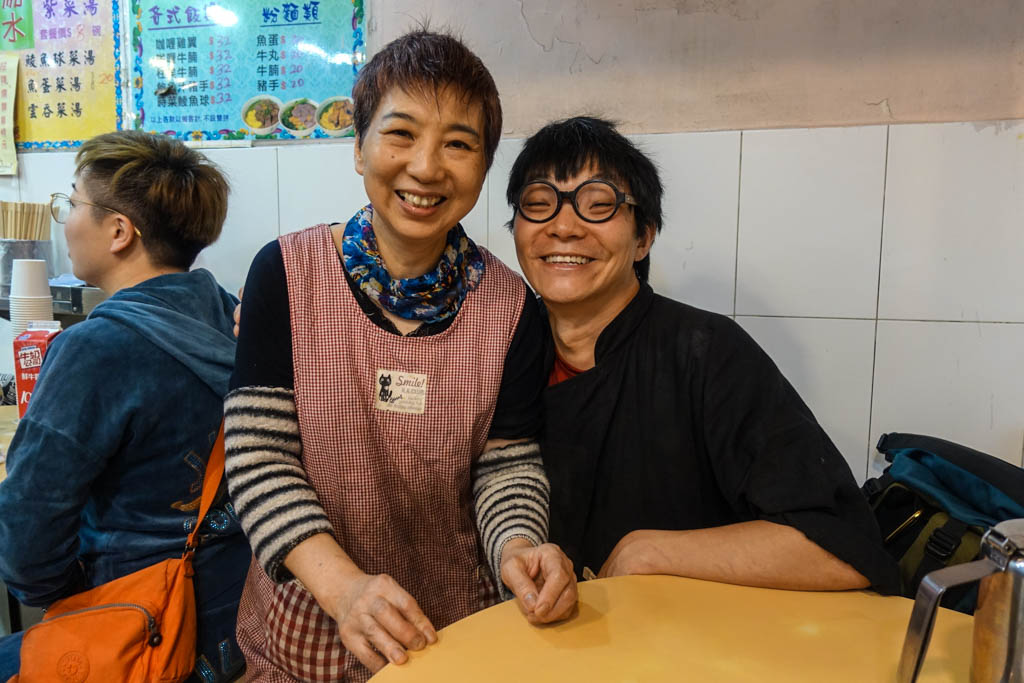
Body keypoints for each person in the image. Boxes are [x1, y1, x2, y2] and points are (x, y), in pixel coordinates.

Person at [226, 30, 576, 682]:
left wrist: (519, 546)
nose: (426, 167)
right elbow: (258, 456)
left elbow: (506, 466)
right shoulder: (285, 274)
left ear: (483, 166)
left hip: (453, 638)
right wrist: (345, 590)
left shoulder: (512, 308)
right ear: (359, 147)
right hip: (304, 635)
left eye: (459, 144)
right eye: (401, 134)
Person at [506, 116, 900, 593]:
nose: (564, 227)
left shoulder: (705, 351)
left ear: (643, 237)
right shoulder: (500, 347)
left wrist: (650, 552)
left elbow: (842, 548)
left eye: (599, 205)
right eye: (539, 204)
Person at [0, 130, 250, 682]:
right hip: (237, 619)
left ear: (119, 231)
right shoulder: (234, 316)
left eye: (71, 203)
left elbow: (27, 542)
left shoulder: (95, 349)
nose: (66, 220)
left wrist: (76, 596)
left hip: (140, 628)